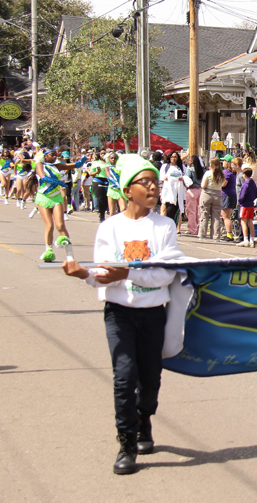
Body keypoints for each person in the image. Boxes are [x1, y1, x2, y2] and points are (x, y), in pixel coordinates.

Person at [62, 154, 185, 474]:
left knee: (150, 381)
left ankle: (144, 419)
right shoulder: (110, 228)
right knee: (123, 377)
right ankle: (127, 443)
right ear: (127, 190)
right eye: (145, 182)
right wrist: (82, 275)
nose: (153, 187)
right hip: (119, 315)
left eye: (155, 182)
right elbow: (101, 275)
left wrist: (127, 273)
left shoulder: (165, 226)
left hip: (152, 313)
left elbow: (166, 274)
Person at [35, 149, 84, 262]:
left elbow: (75, 165)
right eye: (52, 155)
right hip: (43, 197)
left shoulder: (58, 166)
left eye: (56, 154)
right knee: (50, 226)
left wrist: (83, 159)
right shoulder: (39, 164)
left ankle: (70, 254)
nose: (55, 156)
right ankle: (49, 251)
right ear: (45, 156)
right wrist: (58, 182)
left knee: (60, 225)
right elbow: (43, 177)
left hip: (56, 197)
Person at [159, 151, 189, 232]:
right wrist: (164, 178)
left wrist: (182, 178)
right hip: (168, 192)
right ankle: (166, 228)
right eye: (172, 157)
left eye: (175, 157)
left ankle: (174, 228)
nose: (173, 159)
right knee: (168, 209)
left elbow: (186, 177)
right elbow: (161, 176)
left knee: (176, 211)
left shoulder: (181, 167)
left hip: (178, 192)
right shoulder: (166, 166)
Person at [198, 157, 225, 241]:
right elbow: (222, 184)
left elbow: (203, 185)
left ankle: (202, 235)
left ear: (211, 164)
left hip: (207, 194)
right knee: (216, 216)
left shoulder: (208, 173)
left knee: (204, 214)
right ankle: (216, 236)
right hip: (218, 194)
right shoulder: (222, 174)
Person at [237, 167, 257, 247]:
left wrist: (239, 201)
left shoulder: (245, 184)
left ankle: (245, 240)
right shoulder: (253, 183)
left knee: (243, 222)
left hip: (244, 205)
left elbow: (242, 195)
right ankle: (252, 240)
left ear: (244, 175)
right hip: (251, 204)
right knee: (250, 222)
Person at [184, 155, 205, 236]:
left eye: (189, 160)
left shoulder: (189, 170)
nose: (188, 161)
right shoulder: (202, 170)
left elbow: (188, 180)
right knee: (199, 211)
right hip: (200, 190)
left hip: (192, 191)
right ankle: (200, 228)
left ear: (192, 161)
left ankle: (192, 229)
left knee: (191, 211)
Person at [220, 156, 238, 242]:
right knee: (227, 216)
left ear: (227, 162)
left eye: (223, 161)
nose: (222, 162)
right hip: (231, 194)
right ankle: (229, 234)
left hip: (226, 195)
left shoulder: (226, 173)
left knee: (226, 217)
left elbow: (223, 184)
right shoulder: (232, 173)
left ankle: (229, 235)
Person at [105, 152, 127, 217]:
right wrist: (116, 183)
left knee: (123, 209)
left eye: (115, 158)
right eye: (112, 158)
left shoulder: (121, 167)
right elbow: (108, 176)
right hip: (112, 190)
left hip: (120, 190)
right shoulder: (107, 167)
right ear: (109, 159)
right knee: (112, 212)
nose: (113, 159)